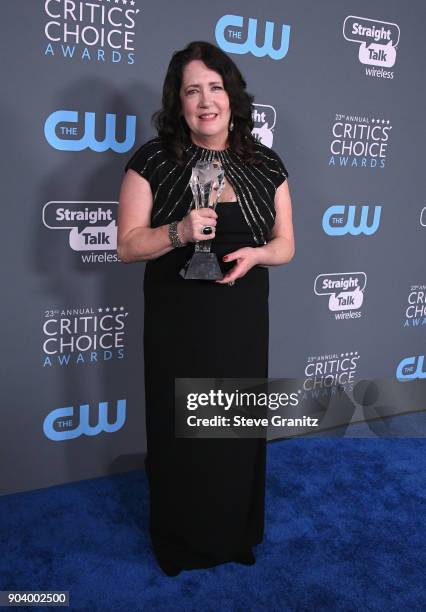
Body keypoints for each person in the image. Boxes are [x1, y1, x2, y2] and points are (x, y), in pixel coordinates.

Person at [117, 41, 295, 577]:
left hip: (241, 315)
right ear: (179, 102)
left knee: (234, 426)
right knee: (181, 426)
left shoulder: (266, 162)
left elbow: (286, 245)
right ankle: (180, 539)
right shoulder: (153, 159)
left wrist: (258, 253)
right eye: (192, 90)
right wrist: (180, 230)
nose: (205, 100)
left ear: (231, 96)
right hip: (179, 319)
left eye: (215, 87)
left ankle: (234, 533)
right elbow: (127, 245)